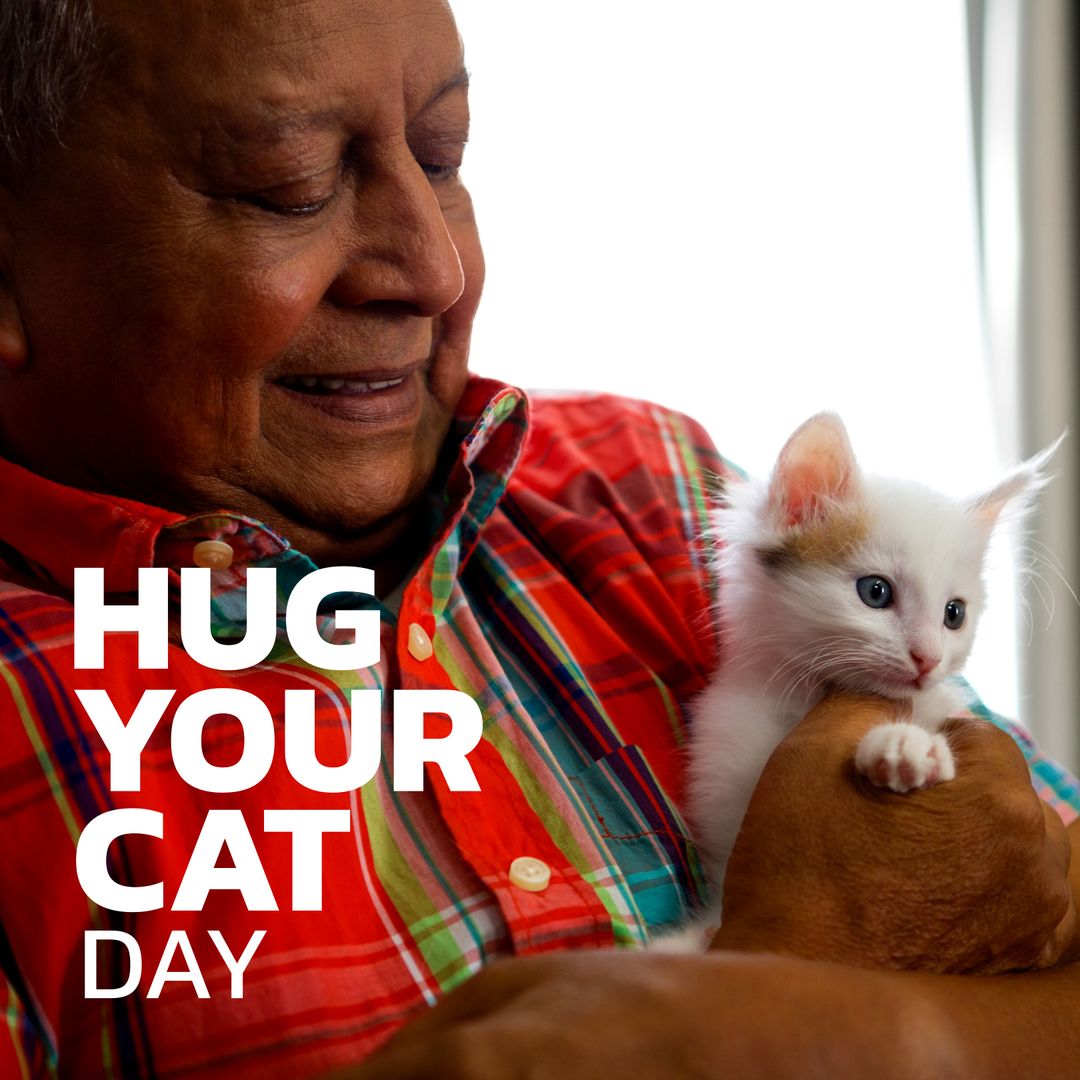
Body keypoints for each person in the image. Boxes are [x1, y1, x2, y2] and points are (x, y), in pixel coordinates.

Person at [0, 1, 1077, 1077]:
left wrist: (871, 1034)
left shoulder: (653, 489)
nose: (435, 270)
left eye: (444, 154)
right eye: (290, 184)